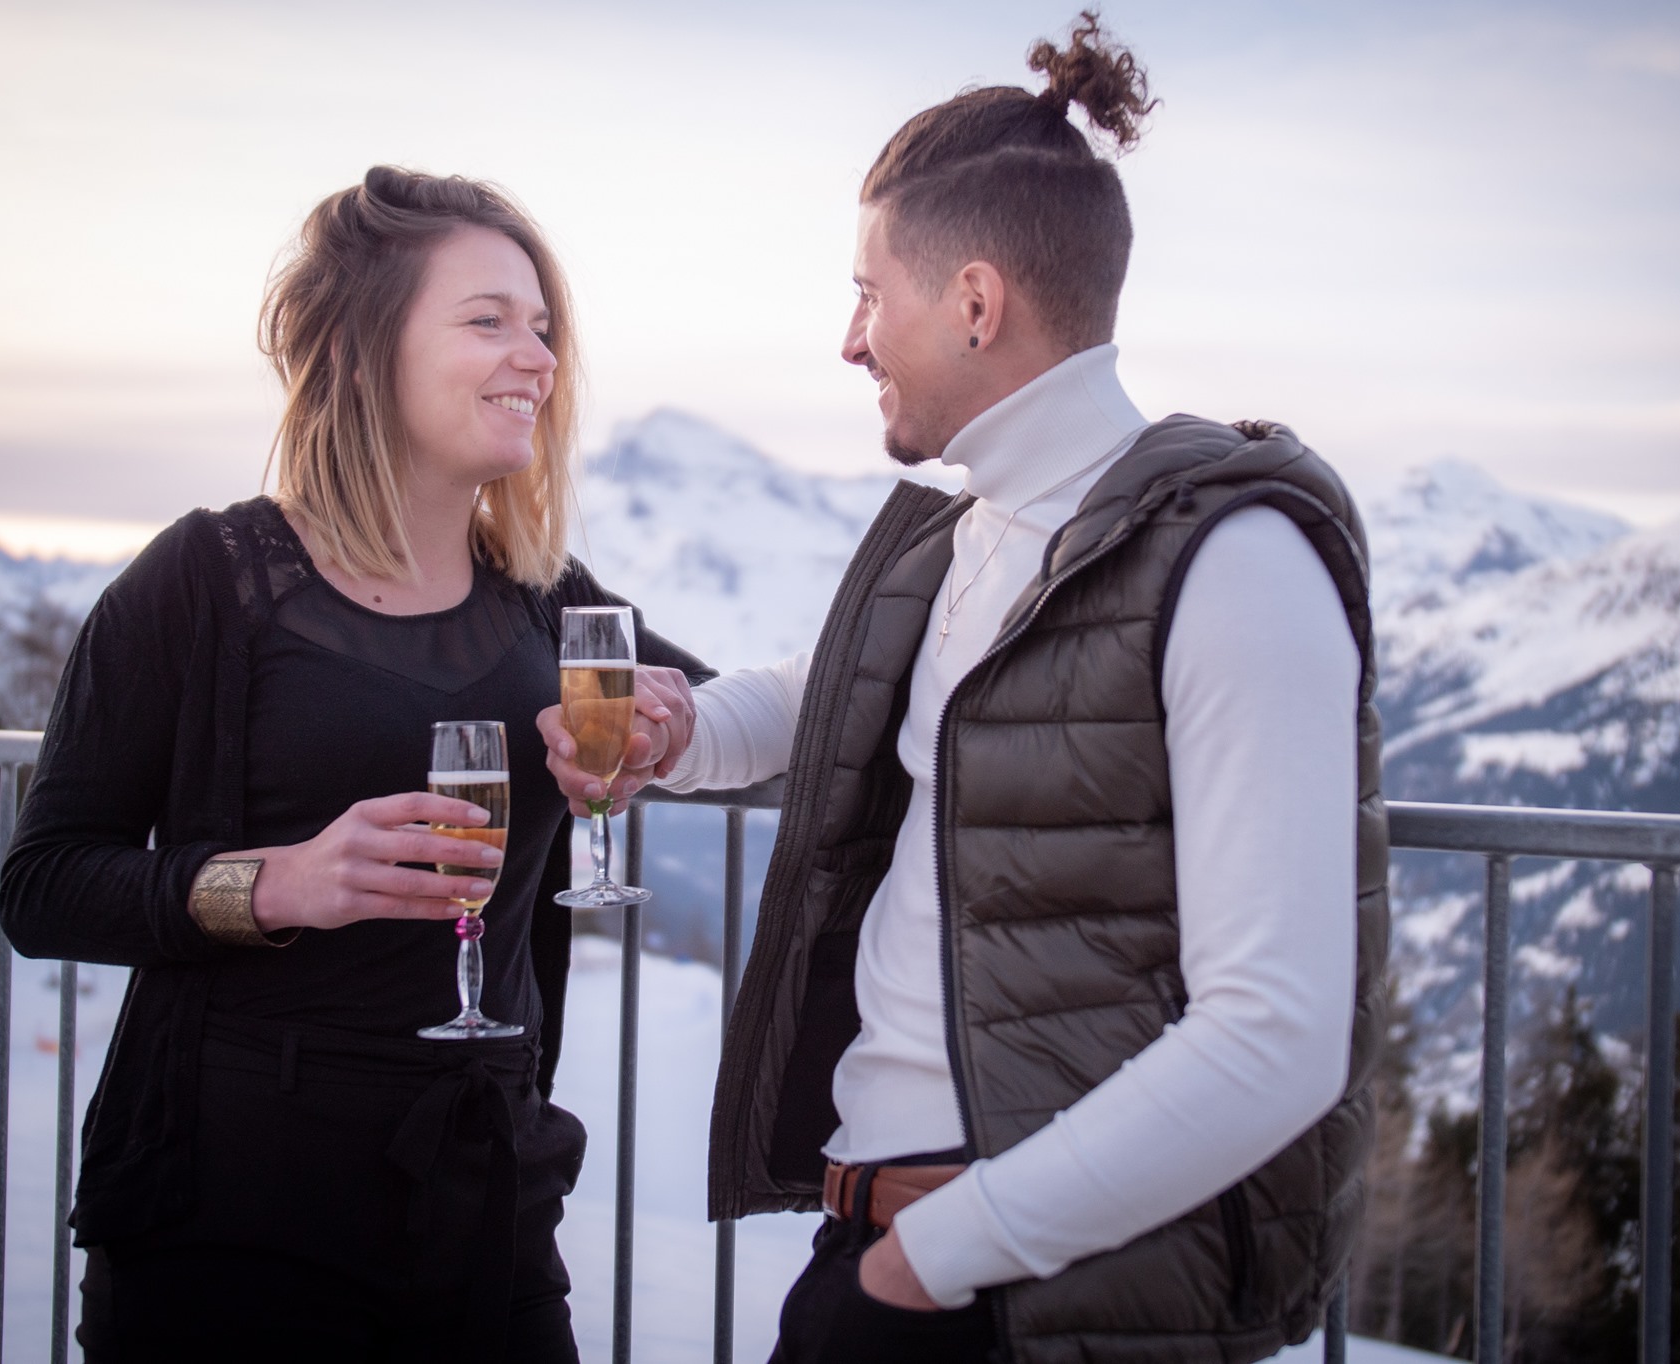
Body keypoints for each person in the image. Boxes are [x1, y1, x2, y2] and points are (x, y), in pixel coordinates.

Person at [541, 13, 1388, 1364]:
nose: (850, 339)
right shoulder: (958, 538)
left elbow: (1276, 1038)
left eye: (871, 293)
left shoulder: (1233, 562)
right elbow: (807, 703)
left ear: (977, 303)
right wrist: (677, 726)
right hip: (894, 1245)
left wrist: (936, 1265)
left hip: (1036, 1289)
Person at [0, 166, 705, 1362]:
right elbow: (45, 883)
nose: (536, 356)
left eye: (542, 327)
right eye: (488, 319)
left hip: (484, 1203)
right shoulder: (208, 580)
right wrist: (278, 883)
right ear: (368, 346)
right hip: (231, 1211)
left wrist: (670, 727)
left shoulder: (551, 605)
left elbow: (737, 723)